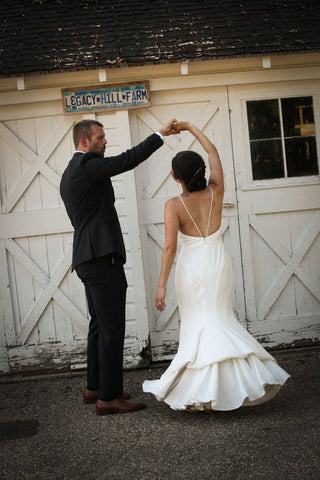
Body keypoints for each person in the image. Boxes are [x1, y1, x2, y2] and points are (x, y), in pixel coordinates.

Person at [142, 122, 290, 411]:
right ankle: (227, 387)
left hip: (192, 268)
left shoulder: (173, 205)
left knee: (199, 324)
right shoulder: (216, 190)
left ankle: (204, 393)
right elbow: (212, 150)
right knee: (220, 320)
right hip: (219, 263)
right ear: (201, 172)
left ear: (175, 177)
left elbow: (171, 247)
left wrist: (160, 285)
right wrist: (189, 127)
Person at [60, 118, 178, 415]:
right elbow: (127, 160)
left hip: (88, 258)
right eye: (100, 138)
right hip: (101, 258)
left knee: (99, 324)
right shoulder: (87, 165)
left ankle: (95, 387)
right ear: (84, 142)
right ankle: (109, 397)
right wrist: (159, 135)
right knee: (111, 327)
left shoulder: (70, 171)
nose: (105, 141)